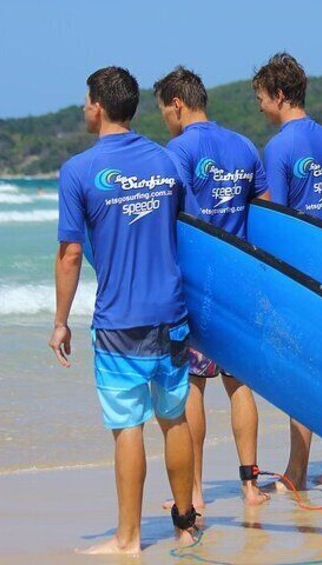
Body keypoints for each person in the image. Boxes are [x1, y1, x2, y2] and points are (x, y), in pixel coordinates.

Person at [48, 66, 197, 554]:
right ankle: (185, 522)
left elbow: (70, 254)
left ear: (98, 106)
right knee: (173, 418)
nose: (84, 108)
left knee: (127, 427)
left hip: (120, 322)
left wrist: (60, 321)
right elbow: (195, 238)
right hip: (172, 315)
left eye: (86, 100)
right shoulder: (167, 161)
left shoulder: (79, 171)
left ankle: (129, 538)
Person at [153, 66, 270, 511]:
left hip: (199, 287)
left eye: (164, 108)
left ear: (178, 104)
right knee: (240, 384)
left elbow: (178, 218)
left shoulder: (177, 151)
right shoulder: (243, 145)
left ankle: (196, 493)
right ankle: (249, 487)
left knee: (194, 388)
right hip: (241, 283)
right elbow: (266, 212)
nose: (165, 117)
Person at [252, 52, 322, 490]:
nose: (259, 106)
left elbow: (277, 219)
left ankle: (296, 472)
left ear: (278, 95)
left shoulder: (279, 146)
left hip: (299, 276)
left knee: (301, 375)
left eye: (261, 97)